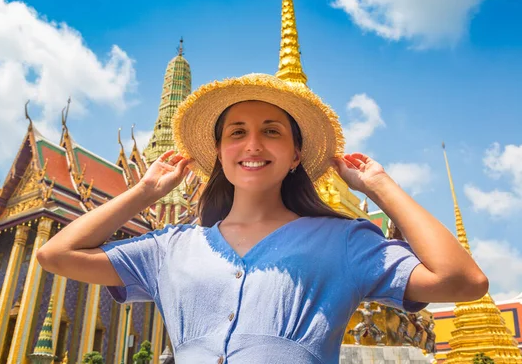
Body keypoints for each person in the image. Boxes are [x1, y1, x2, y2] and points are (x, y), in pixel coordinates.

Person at [37, 73, 488, 363]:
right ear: (218, 155)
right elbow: (56, 254)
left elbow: (463, 281)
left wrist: (378, 186)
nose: (252, 145)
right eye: (237, 133)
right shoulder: (170, 248)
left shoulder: (343, 241)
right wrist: (145, 192)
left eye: (271, 132)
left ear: (296, 155)